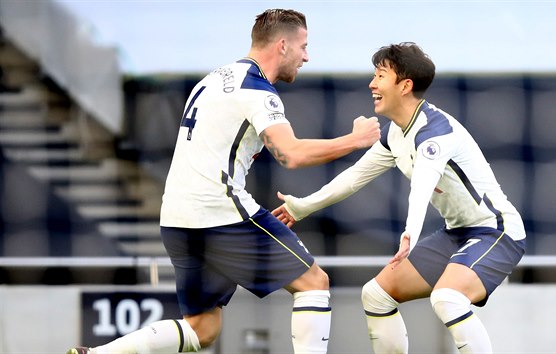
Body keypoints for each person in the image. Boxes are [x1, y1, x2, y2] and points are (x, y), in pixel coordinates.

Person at [67, 9, 380, 354]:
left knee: (203, 329)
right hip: (219, 213)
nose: (307, 56)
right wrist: (354, 140)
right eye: (303, 46)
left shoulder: (215, 77)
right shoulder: (258, 91)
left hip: (176, 218)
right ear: (282, 45)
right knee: (314, 282)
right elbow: (290, 154)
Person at [272, 42, 526, 354]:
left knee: (447, 298)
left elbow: (422, 184)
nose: (372, 84)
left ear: (405, 86)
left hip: (497, 231)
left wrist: (410, 233)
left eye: (380, 76)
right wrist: (304, 206)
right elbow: (355, 177)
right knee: (376, 295)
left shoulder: (435, 132)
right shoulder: (396, 132)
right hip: (457, 233)